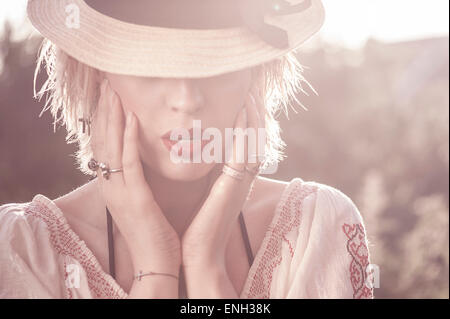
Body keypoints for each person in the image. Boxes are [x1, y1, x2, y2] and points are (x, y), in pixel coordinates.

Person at [0, 0, 374, 299]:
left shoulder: (315, 229)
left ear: (254, 73)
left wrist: (206, 265)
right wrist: (156, 266)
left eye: (217, 67)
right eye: (152, 66)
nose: (187, 99)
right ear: (100, 74)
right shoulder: (21, 251)